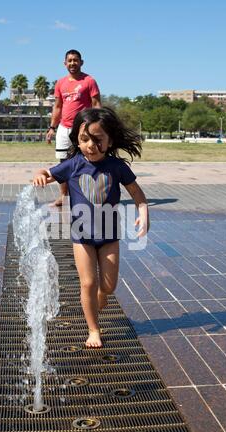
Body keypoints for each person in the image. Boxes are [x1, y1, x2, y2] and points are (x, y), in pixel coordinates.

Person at [34, 107, 149, 348]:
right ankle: (93, 329)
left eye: (98, 140)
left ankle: (101, 296)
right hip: (82, 237)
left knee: (108, 286)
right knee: (87, 283)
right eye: (85, 139)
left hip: (109, 236)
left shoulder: (117, 167)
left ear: (110, 140)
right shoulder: (73, 164)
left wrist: (143, 212)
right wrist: (40, 174)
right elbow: (47, 171)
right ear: (77, 137)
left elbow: (137, 194)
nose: (90, 145)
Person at [46, 49, 101, 207]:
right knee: (63, 163)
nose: (72, 63)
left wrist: (97, 126)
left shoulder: (89, 81)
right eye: (69, 60)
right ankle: (64, 196)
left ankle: (89, 195)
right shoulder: (60, 83)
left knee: (88, 160)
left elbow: (96, 105)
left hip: (83, 129)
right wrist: (52, 128)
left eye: (75, 60)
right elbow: (57, 107)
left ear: (81, 62)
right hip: (64, 128)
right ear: (65, 63)